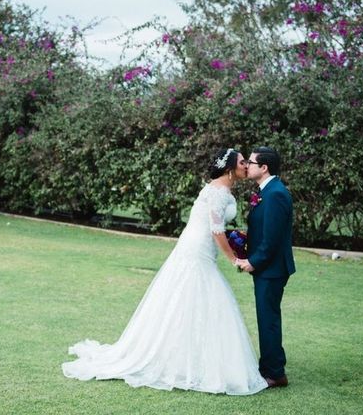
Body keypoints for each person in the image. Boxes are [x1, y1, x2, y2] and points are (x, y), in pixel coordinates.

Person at [62, 148, 268, 395]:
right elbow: (216, 230)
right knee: (200, 295)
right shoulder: (219, 192)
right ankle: (182, 360)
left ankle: (188, 355)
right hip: (197, 249)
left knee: (191, 298)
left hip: (197, 246)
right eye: (242, 161)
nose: (246, 165)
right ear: (229, 169)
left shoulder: (219, 188)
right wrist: (234, 257)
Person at [237, 147, 296, 389]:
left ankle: (275, 373)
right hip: (267, 267)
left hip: (271, 269)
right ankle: (270, 366)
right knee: (267, 317)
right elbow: (263, 229)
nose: (246, 166)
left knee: (268, 319)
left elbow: (272, 238)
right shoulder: (267, 191)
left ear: (264, 168)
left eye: (250, 162)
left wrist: (253, 261)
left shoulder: (275, 194)